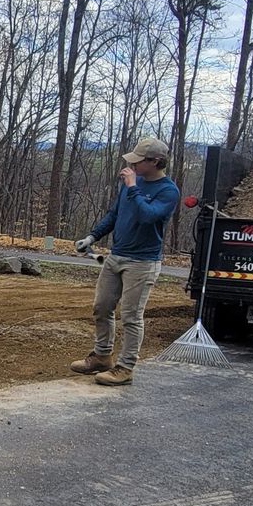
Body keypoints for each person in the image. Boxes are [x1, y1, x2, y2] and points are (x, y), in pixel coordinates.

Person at [70, 137, 181, 387]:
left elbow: (147, 217)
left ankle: (126, 367)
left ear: (155, 162)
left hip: (142, 263)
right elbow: (115, 214)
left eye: (138, 161)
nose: (132, 166)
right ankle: (102, 356)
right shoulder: (134, 183)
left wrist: (133, 188)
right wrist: (92, 236)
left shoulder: (168, 191)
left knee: (131, 316)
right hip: (116, 255)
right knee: (102, 307)